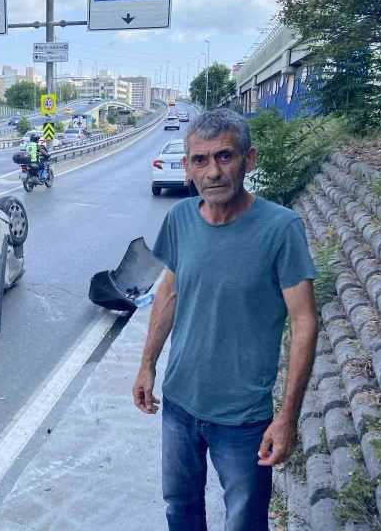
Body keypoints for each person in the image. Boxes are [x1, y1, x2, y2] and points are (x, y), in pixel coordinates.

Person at [132, 108, 318, 531]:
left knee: (245, 521)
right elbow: (169, 292)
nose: (213, 171)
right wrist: (147, 366)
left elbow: (304, 321)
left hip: (244, 416)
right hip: (179, 403)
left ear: (248, 160)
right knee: (180, 509)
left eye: (225, 157)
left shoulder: (281, 228)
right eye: (200, 160)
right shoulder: (180, 218)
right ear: (188, 167)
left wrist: (286, 417)